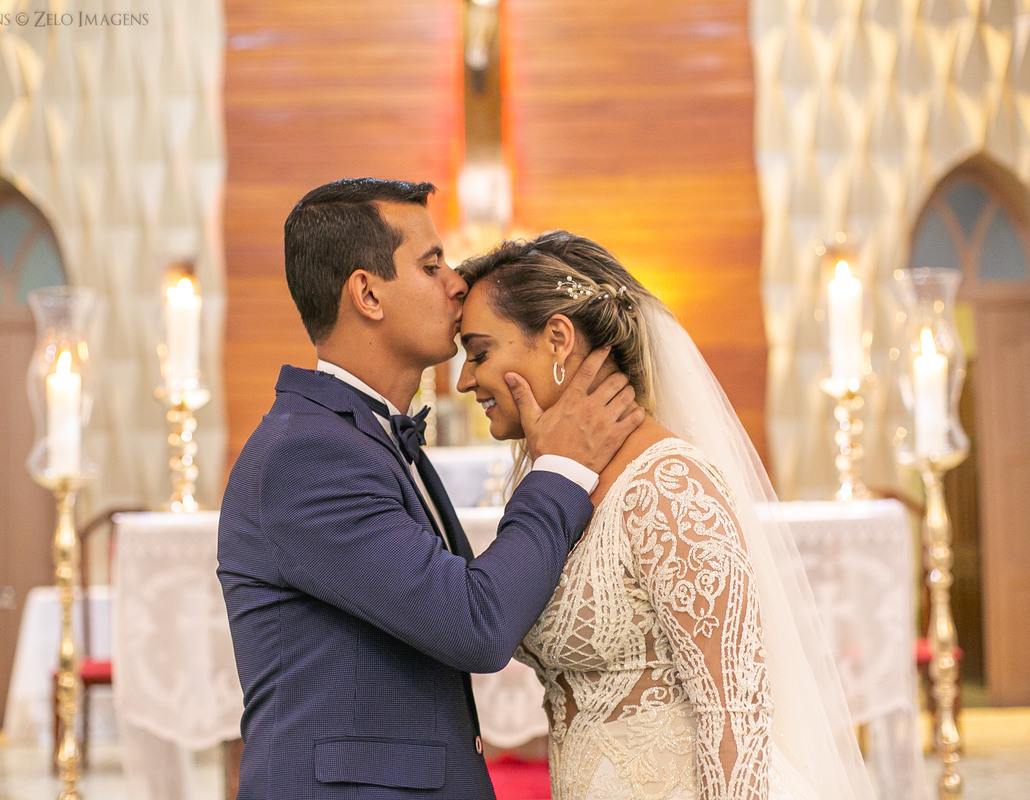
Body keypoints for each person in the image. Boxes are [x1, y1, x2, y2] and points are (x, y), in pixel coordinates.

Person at [217, 179, 645, 800]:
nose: (457, 283)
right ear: (367, 293)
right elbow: (475, 622)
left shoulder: (367, 436)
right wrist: (562, 469)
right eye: (430, 264)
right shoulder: (308, 454)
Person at [456, 231, 876, 800]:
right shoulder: (553, 486)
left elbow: (736, 715)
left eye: (480, 352)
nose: (464, 380)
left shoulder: (669, 486)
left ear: (557, 338)